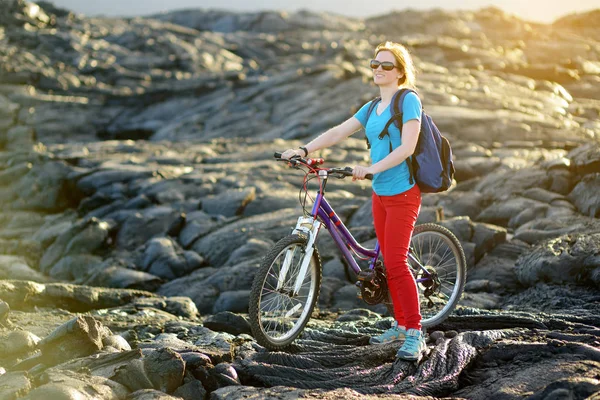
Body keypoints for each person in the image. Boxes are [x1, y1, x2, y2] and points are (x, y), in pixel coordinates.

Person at [281, 41, 425, 361]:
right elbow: (338, 132)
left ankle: (415, 332)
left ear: (400, 72)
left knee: (397, 263)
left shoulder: (409, 100)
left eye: (386, 65)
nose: (378, 69)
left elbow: (408, 147)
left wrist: (371, 168)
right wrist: (304, 150)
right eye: (375, 64)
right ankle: (400, 326)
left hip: (403, 193)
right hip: (380, 195)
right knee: (386, 260)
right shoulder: (372, 107)